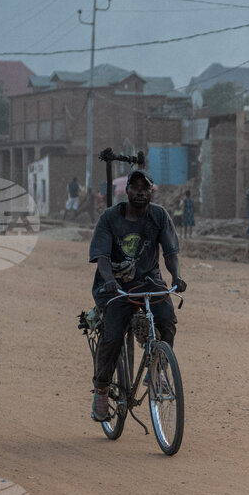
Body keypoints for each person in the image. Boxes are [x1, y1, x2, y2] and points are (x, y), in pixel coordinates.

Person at [88, 169, 187, 421]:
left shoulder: (159, 216)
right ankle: (101, 390)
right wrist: (109, 280)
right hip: (117, 286)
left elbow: (170, 252)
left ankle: (156, 370)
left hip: (150, 282)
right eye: (135, 187)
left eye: (145, 188)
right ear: (127, 191)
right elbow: (101, 256)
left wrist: (175, 277)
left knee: (167, 322)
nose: (140, 192)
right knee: (112, 336)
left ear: (151, 191)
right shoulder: (110, 218)